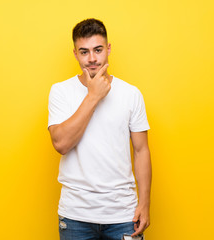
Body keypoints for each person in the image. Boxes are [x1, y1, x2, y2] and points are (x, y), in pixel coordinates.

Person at [48, 18, 152, 240]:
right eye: (84, 52)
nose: (92, 58)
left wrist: (144, 203)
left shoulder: (131, 94)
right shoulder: (60, 92)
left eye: (98, 50)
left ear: (109, 49)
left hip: (123, 215)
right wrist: (93, 96)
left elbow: (141, 150)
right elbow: (61, 144)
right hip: (76, 215)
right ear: (75, 53)